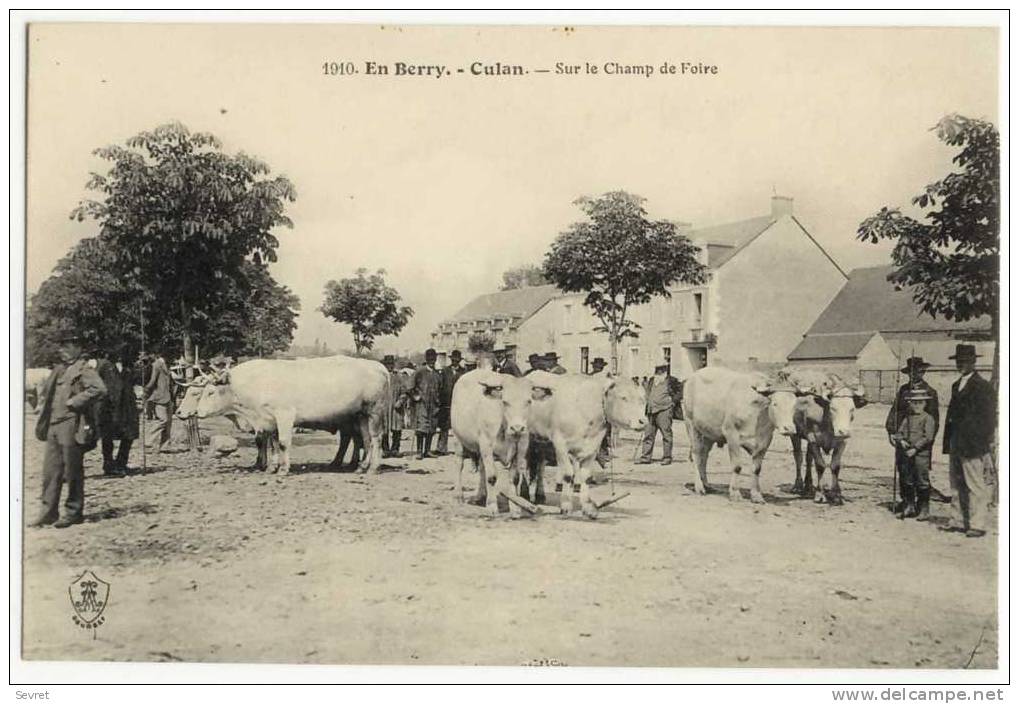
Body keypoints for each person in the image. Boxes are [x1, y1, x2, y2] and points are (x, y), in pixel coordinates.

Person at [30, 332, 107, 528]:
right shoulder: (59, 369)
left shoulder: (83, 369)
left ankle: (73, 512)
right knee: (51, 471)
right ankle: (48, 512)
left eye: (66, 346)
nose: (61, 350)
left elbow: (99, 389)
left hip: (72, 424)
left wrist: (75, 401)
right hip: (54, 425)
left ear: (77, 347)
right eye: (60, 346)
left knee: (72, 470)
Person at [940, 344, 996, 538]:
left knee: (975, 484)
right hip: (956, 441)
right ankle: (957, 520)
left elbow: (989, 419)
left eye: (965, 361)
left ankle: (977, 524)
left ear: (974, 362)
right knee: (956, 482)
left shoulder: (983, 387)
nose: (961, 364)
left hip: (973, 443)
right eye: (958, 361)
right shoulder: (956, 385)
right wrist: (948, 441)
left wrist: (983, 442)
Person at [885, 356, 941, 509]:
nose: (914, 375)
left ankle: (922, 505)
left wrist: (924, 442)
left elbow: (934, 420)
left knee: (920, 472)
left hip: (920, 441)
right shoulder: (903, 390)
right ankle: (907, 501)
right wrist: (892, 431)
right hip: (903, 436)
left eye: (918, 372)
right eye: (911, 372)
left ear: (923, 372)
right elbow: (895, 412)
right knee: (904, 470)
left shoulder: (930, 392)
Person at [890, 388, 938, 520]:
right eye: (914, 403)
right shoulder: (907, 419)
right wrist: (901, 440)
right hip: (907, 453)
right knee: (908, 479)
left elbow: (928, 437)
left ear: (925, 404)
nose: (917, 406)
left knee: (922, 480)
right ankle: (909, 506)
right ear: (910, 404)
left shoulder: (928, 418)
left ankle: (924, 509)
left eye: (920, 403)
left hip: (920, 455)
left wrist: (915, 448)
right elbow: (900, 432)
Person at [96, 347, 140, 477]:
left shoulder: (128, 367)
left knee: (129, 435)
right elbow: (96, 382)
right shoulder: (104, 365)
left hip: (127, 406)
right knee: (108, 437)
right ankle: (108, 465)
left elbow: (136, 380)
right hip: (109, 407)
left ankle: (121, 463)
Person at [636, 363, 682, 466]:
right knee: (648, 434)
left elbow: (680, 391)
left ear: (665, 371)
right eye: (657, 369)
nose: (658, 372)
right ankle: (645, 457)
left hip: (664, 410)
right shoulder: (652, 380)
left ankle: (667, 457)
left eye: (661, 370)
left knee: (666, 435)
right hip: (651, 411)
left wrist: (673, 402)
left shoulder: (671, 381)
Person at [412, 348, 442, 459]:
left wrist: (438, 401)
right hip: (422, 404)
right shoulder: (420, 371)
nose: (431, 361)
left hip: (433, 404)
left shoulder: (437, 374)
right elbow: (410, 386)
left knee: (431, 428)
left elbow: (440, 388)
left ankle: (427, 450)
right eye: (429, 358)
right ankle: (419, 451)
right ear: (426, 358)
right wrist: (415, 396)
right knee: (421, 428)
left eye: (433, 358)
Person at [436, 350, 467, 454]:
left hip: (460, 402)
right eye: (453, 360)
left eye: (457, 360)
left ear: (459, 360)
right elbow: (440, 385)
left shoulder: (464, 372)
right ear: (451, 360)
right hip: (446, 402)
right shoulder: (445, 371)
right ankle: (441, 448)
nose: (455, 361)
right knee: (444, 426)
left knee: (461, 426)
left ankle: (463, 449)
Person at [143, 348, 174, 453]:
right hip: (159, 396)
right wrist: (146, 392)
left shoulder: (165, 364)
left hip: (168, 396)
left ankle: (165, 445)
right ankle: (148, 442)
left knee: (168, 422)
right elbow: (152, 380)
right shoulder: (157, 365)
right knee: (163, 420)